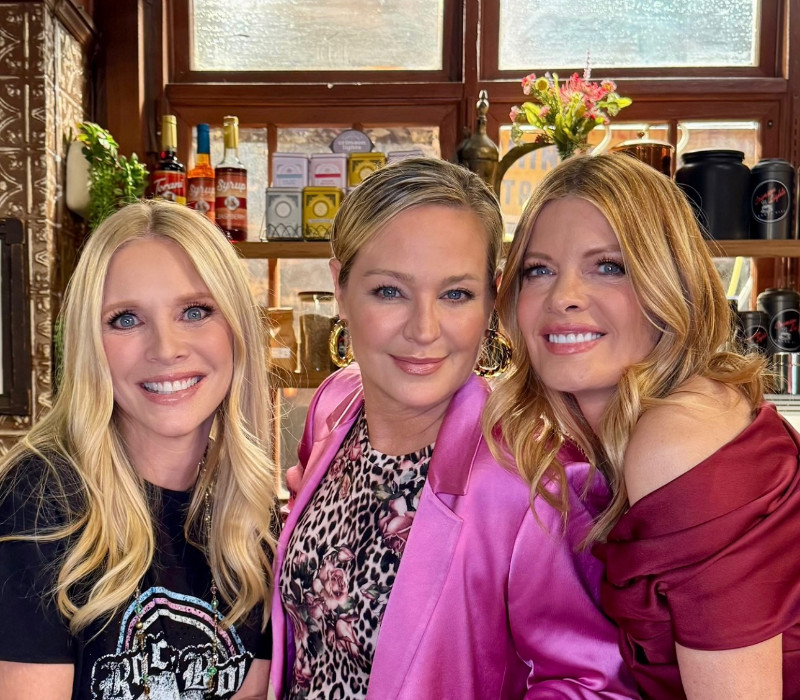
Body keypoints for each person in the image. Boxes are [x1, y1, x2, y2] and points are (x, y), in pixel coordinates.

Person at [269, 157, 636, 699]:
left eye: (456, 294)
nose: (424, 330)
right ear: (340, 289)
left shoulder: (535, 477)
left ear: (491, 300)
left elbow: (593, 684)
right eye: (389, 291)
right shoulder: (334, 403)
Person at [485, 150, 800, 699]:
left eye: (609, 266)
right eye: (539, 270)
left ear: (670, 286)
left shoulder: (679, 437)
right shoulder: (609, 438)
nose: (564, 298)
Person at [0, 200, 277, 699]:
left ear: (237, 330)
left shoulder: (249, 514)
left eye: (195, 311)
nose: (166, 348)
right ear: (89, 343)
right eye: (125, 319)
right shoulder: (40, 500)